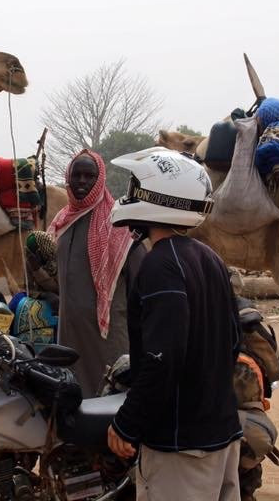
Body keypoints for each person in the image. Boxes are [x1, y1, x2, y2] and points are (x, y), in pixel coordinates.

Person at [106, 147, 243, 501]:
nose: (130, 194)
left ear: (158, 196)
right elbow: (232, 343)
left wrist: (128, 421)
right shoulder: (209, 258)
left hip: (182, 446)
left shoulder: (160, 266)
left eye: (137, 186)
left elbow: (162, 357)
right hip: (220, 434)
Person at [48, 150, 145, 396]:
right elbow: (54, 278)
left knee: (112, 393)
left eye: (88, 176)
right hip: (70, 331)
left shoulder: (119, 224)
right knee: (75, 393)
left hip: (108, 334)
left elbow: (141, 282)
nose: (81, 181)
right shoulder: (61, 221)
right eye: (76, 175)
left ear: (99, 179)